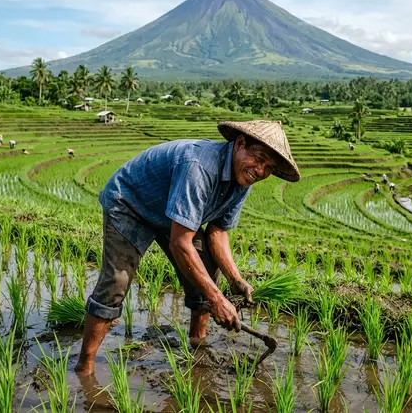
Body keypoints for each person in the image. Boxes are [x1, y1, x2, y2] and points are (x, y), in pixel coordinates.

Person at [74, 120, 300, 377]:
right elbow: (180, 243)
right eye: (258, 159)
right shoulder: (199, 165)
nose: (259, 170)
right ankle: (85, 367)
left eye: (268, 168)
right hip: (130, 203)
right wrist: (217, 300)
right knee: (116, 282)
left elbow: (217, 231)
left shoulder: (243, 179)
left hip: (172, 213)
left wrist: (235, 279)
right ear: (240, 144)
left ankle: (197, 346)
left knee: (207, 270)